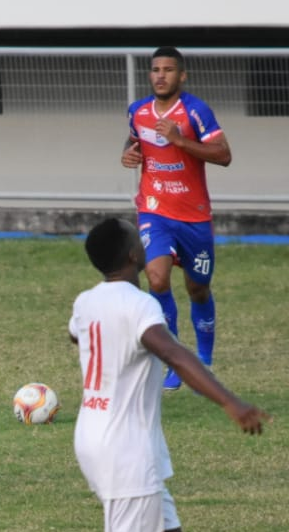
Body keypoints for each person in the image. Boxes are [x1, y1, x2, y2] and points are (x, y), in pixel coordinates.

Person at [69, 217, 270, 532]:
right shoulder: (139, 305)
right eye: (138, 238)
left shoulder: (86, 302)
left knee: (167, 528)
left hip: (93, 437)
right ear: (133, 256)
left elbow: (77, 335)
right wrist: (230, 402)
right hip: (125, 448)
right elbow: (172, 353)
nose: (144, 241)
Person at [121, 46, 232, 390]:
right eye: (156, 69)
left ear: (181, 76)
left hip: (194, 216)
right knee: (156, 279)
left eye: (168, 70)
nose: (160, 75)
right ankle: (173, 360)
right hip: (154, 209)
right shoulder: (137, 111)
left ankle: (204, 360)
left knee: (198, 289)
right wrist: (128, 153)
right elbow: (135, 139)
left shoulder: (196, 111)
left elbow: (224, 155)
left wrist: (180, 141)